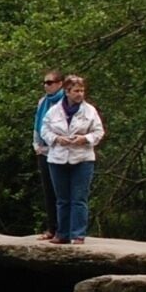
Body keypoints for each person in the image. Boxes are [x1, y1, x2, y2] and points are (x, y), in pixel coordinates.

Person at [39, 74, 106, 245]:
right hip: (58, 158)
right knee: (62, 199)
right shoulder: (53, 111)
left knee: (79, 198)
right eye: (76, 91)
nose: (80, 94)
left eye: (82, 90)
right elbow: (44, 131)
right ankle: (62, 234)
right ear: (67, 92)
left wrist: (85, 139)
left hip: (82, 158)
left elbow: (99, 132)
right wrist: (56, 139)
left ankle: (78, 234)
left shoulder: (90, 111)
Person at [31, 68, 65, 239]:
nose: (46, 86)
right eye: (44, 83)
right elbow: (38, 123)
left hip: (60, 151)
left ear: (60, 84)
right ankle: (51, 228)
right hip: (44, 151)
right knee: (48, 191)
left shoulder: (66, 102)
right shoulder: (42, 102)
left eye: (50, 82)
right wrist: (36, 144)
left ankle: (65, 229)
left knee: (63, 192)